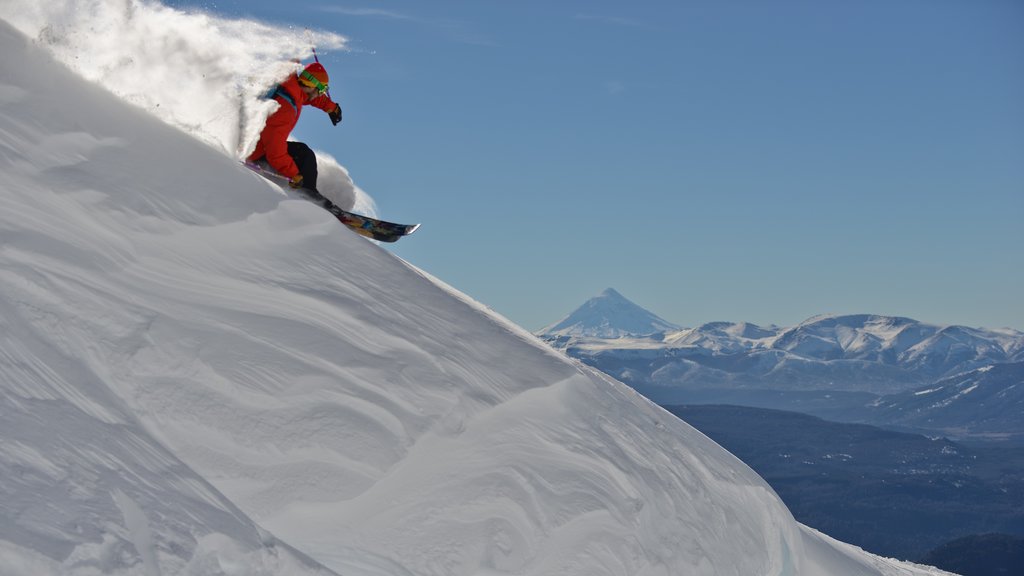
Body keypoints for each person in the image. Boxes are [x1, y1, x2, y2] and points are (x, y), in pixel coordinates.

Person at [248, 62, 343, 195]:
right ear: (311, 86)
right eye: (321, 90)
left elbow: (308, 98)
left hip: (257, 142)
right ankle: (308, 196)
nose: (321, 94)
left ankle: (308, 192)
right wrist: (293, 173)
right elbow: (274, 151)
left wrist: (331, 107)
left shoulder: (289, 85)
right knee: (304, 156)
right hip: (255, 152)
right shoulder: (285, 109)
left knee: (303, 152)